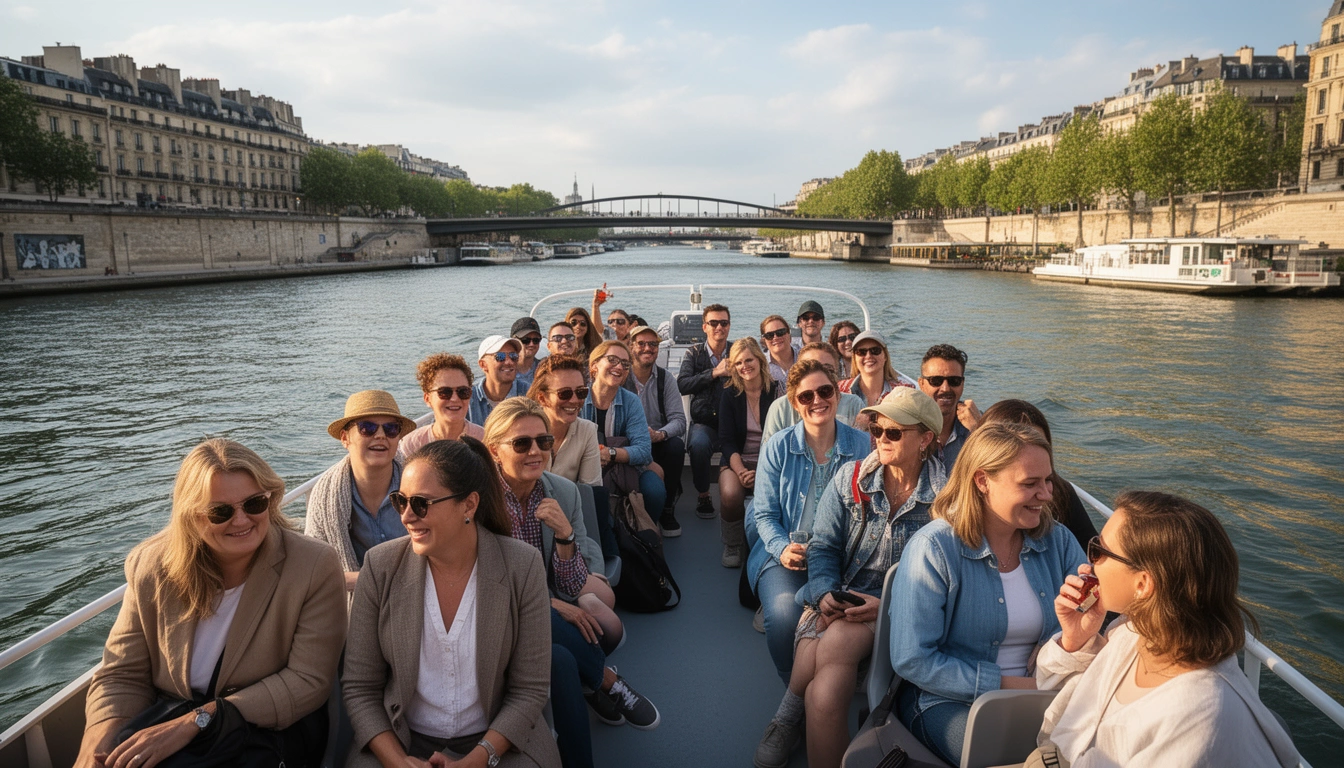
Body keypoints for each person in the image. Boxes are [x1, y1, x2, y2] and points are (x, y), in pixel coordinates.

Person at [76, 439, 345, 768]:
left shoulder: (312, 565)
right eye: (221, 512)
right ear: (192, 516)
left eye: (254, 504)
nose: (242, 520)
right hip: (170, 722)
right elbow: (123, 674)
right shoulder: (151, 566)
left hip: (264, 732)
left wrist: (199, 721)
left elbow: (307, 681)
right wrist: (98, 745)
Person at [1031, 491, 1299, 767]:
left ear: (1143, 584)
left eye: (1100, 551)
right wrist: (1077, 640)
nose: (1089, 563)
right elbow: (1068, 706)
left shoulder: (1195, 717)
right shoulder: (1133, 634)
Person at [341, 438, 563, 768]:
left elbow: (529, 690)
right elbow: (360, 687)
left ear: (469, 505)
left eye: (421, 504)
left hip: (498, 743)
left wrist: (477, 759)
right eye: (400, 501)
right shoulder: (380, 566)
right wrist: (398, 761)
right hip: (402, 740)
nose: (406, 516)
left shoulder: (522, 566)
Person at [755, 388, 947, 768]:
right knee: (822, 694)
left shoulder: (945, 501)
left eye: (894, 433)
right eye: (877, 430)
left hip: (902, 609)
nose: (879, 440)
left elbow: (945, 579)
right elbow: (824, 546)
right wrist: (826, 591)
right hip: (843, 597)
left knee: (831, 648)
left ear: (925, 439)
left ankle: (784, 717)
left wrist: (887, 606)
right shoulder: (852, 479)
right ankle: (795, 714)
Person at [889, 422, 1087, 765]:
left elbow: (1088, 618)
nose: (1047, 494)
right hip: (949, 701)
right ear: (983, 481)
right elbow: (912, 659)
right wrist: (1020, 687)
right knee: (1004, 757)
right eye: (1030, 484)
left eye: (1048, 481)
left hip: (1049, 694)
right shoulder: (934, 549)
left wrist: (1056, 644)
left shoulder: (1059, 541)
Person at [747, 359, 870, 686]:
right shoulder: (778, 447)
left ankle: (841, 676)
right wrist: (783, 549)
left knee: (850, 614)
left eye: (825, 391)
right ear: (794, 403)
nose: (817, 401)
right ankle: (794, 690)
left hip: (841, 555)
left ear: (837, 395)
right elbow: (764, 514)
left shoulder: (862, 445)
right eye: (806, 396)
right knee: (784, 616)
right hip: (787, 553)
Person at [484, 398, 621, 654]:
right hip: (500, 606)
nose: (535, 451)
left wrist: (564, 535)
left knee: (610, 629)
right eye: (521, 443)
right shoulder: (480, 501)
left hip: (554, 592)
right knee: (564, 655)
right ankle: (604, 681)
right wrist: (551, 606)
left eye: (544, 441)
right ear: (494, 450)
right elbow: (484, 583)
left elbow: (571, 585)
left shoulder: (564, 492)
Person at [307, 390, 418, 591]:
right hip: (356, 603)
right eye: (367, 428)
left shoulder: (420, 483)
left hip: (418, 591)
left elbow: (443, 546)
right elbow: (314, 568)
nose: (381, 436)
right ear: (344, 438)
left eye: (391, 429)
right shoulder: (324, 497)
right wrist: (369, 582)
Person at [979, 399, 1098, 548]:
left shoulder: (1060, 535)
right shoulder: (946, 545)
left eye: (1039, 443)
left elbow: (1092, 549)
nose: (1045, 495)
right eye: (1029, 483)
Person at [582, 341, 667, 517]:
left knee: (655, 491)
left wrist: (610, 453)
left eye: (625, 364)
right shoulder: (578, 398)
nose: (619, 367)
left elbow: (644, 451)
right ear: (594, 365)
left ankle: (645, 531)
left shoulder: (631, 401)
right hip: (583, 465)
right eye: (612, 359)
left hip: (624, 468)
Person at [717, 337, 780, 568]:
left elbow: (781, 435)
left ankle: (770, 539)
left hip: (771, 460)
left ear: (760, 360)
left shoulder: (776, 391)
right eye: (738, 363)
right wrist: (742, 470)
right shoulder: (729, 394)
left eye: (749, 360)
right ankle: (732, 543)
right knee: (731, 493)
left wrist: (763, 469)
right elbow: (726, 440)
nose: (744, 366)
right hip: (737, 460)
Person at [624, 324, 688, 537]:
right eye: (641, 343)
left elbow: (679, 420)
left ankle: (668, 508)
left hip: (656, 442)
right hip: (627, 444)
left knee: (676, 446)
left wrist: (660, 434)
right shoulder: (621, 379)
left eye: (653, 344)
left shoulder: (666, 379)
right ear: (631, 346)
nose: (647, 348)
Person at [677, 303, 733, 521]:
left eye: (724, 322)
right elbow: (683, 384)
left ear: (729, 325)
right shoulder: (693, 353)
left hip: (733, 421)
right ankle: (703, 493)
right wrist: (714, 373)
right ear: (704, 327)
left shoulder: (738, 350)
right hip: (705, 422)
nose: (719, 327)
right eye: (714, 323)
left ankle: (741, 494)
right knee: (698, 445)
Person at [760, 342, 867, 444]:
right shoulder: (780, 408)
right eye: (809, 370)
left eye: (828, 370)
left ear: (838, 373)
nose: (819, 377)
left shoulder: (853, 404)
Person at [399, 354, 486, 459]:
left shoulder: (486, 440)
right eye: (445, 392)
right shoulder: (412, 445)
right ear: (427, 399)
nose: (455, 398)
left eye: (463, 392)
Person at [918, 343, 981, 470]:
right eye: (936, 381)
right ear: (922, 384)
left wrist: (978, 430)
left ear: (962, 383)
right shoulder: (907, 427)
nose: (945, 388)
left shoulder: (979, 424)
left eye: (954, 381)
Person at [838, 330, 916, 407]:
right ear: (854, 358)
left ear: (885, 356)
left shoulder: (905, 392)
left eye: (875, 350)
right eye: (861, 352)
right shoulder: (839, 390)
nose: (868, 356)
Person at [470, 335, 529, 426]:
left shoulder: (529, 393)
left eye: (513, 356)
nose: (509, 362)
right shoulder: (468, 399)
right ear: (483, 365)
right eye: (500, 357)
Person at [759, 315, 799, 388]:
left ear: (789, 334)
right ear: (764, 340)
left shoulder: (804, 356)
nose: (776, 337)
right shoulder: (761, 365)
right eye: (769, 335)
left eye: (780, 332)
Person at [511, 317, 545, 389]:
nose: (531, 344)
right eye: (526, 340)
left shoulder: (544, 368)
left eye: (536, 340)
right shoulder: (505, 370)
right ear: (514, 341)